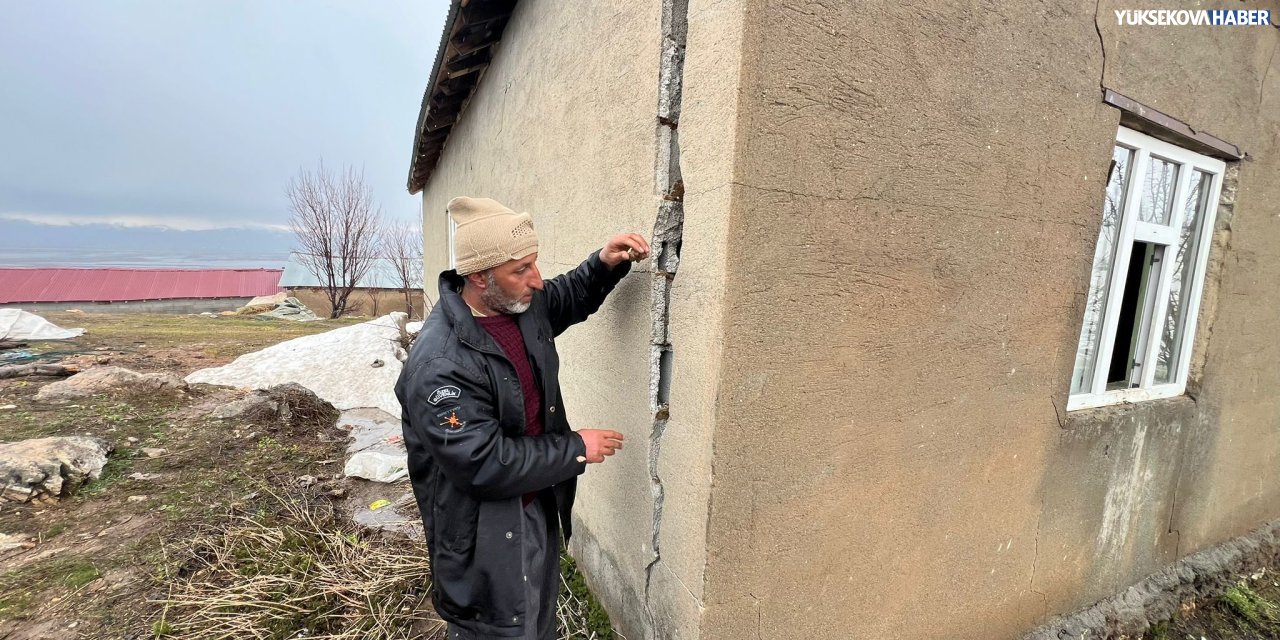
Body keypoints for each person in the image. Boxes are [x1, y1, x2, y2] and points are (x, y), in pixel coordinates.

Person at [396, 196, 650, 639]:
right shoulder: (440, 363)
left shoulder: (517, 304)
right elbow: (482, 463)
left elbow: (565, 296)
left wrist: (605, 263)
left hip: (535, 501)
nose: (535, 280)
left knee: (536, 620)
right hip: (484, 532)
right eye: (521, 270)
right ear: (478, 276)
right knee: (498, 628)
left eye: (534, 264)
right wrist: (575, 448)